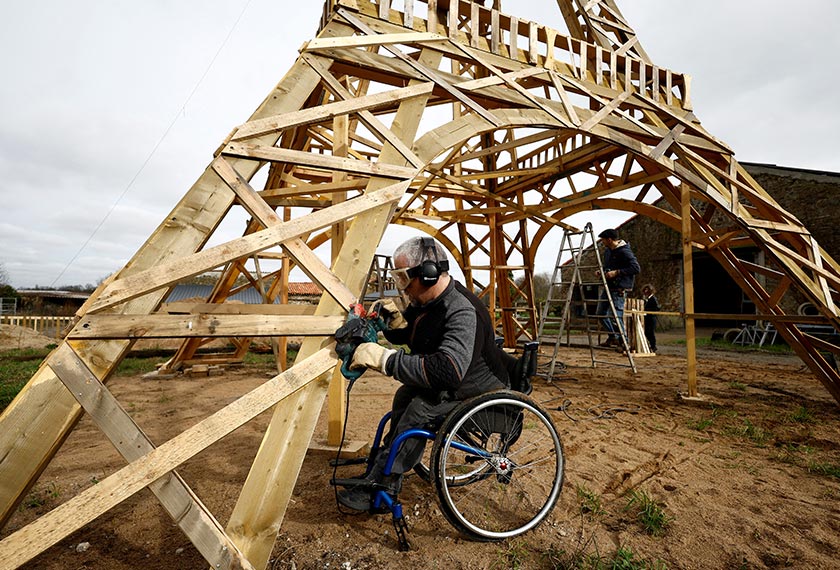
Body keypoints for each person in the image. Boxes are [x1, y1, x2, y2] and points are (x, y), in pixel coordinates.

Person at [336, 236, 515, 512]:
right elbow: (417, 335)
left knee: (421, 408)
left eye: (404, 278)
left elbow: (448, 371)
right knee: (405, 395)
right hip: (460, 383)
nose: (402, 288)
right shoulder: (426, 302)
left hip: (481, 390)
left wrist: (385, 359)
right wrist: (392, 326)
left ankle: (384, 485)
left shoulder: (462, 311)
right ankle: (382, 467)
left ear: (429, 275)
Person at [594, 228, 640, 347]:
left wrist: (617, 272)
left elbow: (636, 268)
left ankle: (624, 342)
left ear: (609, 239)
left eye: (603, 240)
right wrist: (602, 271)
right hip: (608, 286)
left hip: (619, 287)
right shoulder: (608, 251)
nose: (602, 242)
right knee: (600, 313)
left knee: (616, 316)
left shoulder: (624, 251)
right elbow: (608, 267)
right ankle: (613, 337)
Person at [641, 284, 660, 352]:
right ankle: (651, 345)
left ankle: (653, 346)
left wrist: (649, 311)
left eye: (647, 290)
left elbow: (657, 308)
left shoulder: (653, 299)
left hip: (651, 318)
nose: (645, 291)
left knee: (651, 332)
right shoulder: (647, 299)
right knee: (646, 332)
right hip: (647, 318)